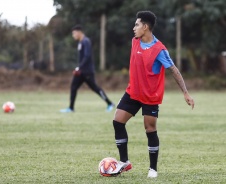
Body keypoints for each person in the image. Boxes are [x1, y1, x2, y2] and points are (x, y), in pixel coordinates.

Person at [109, 11, 195, 178]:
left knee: (150, 129)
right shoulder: (135, 42)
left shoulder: (159, 50)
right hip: (133, 92)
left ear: (145, 27)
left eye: (137, 25)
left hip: (150, 96)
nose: (134, 28)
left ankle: (153, 169)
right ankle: (124, 162)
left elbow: (174, 71)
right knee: (117, 121)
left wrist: (185, 93)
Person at [60, 25, 115, 113]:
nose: (73, 35)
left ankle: (110, 103)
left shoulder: (86, 41)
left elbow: (87, 56)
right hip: (81, 71)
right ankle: (71, 108)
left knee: (95, 88)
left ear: (79, 32)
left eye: (74, 33)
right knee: (73, 87)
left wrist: (79, 67)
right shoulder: (80, 43)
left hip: (87, 71)